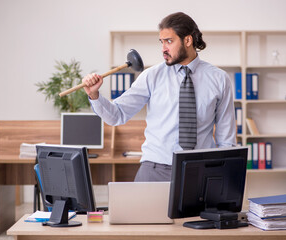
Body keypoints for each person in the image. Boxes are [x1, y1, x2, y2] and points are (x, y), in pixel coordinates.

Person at [82, 12, 236, 182]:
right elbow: (116, 115)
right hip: (155, 170)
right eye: (161, 42)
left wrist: (223, 177)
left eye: (169, 41)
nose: (163, 48)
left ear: (188, 40)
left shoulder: (219, 79)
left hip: (201, 170)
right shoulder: (151, 76)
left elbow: (226, 139)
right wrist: (94, 94)